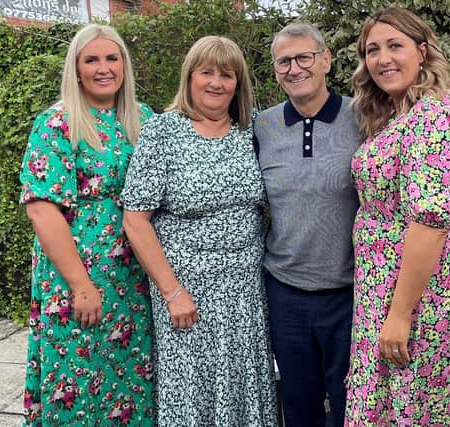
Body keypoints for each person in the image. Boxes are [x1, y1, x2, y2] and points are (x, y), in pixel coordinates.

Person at [120, 35, 277, 426]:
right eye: (206, 72)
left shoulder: (252, 130)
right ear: (189, 77)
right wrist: (173, 292)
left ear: (238, 83)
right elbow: (135, 218)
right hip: (186, 294)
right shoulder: (163, 132)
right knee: (193, 390)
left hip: (245, 292)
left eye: (227, 75)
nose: (216, 83)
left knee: (245, 385)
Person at [344, 7, 450, 425]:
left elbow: (430, 223)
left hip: (425, 298)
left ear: (422, 52)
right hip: (390, 291)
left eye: (395, 46)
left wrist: (399, 315)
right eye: (372, 50)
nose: (382, 59)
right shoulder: (399, 114)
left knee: (421, 410)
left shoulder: (436, 116)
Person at [19, 24, 155, 426]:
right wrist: (80, 285)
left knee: (130, 379)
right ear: (75, 69)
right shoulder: (57, 122)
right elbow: (42, 211)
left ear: (125, 66)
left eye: (112, 58)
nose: (103, 68)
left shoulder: (142, 118)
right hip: (76, 274)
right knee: (76, 384)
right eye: (91, 59)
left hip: (132, 277)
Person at [254, 23, 361, 427]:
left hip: (350, 293)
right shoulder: (262, 127)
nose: (295, 68)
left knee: (351, 405)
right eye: (284, 61)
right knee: (298, 406)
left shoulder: (363, 116)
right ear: (275, 68)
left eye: (304, 57)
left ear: (326, 60)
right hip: (285, 292)